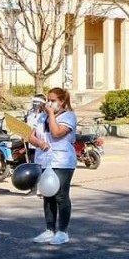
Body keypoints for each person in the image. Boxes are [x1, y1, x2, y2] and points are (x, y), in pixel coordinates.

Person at [28, 87, 77, 245]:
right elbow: (31, 136)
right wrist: (40, 143)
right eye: (48, 100)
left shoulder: (69, 116)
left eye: (53, 100)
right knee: (47, 195)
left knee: (60, 196)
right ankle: (49, 230)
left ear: (62, 102)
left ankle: (62, 232)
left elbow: (56, 133)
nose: (49, 103)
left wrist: (50, 114)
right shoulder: (42, 117)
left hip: (62, 161)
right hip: (44, 160)